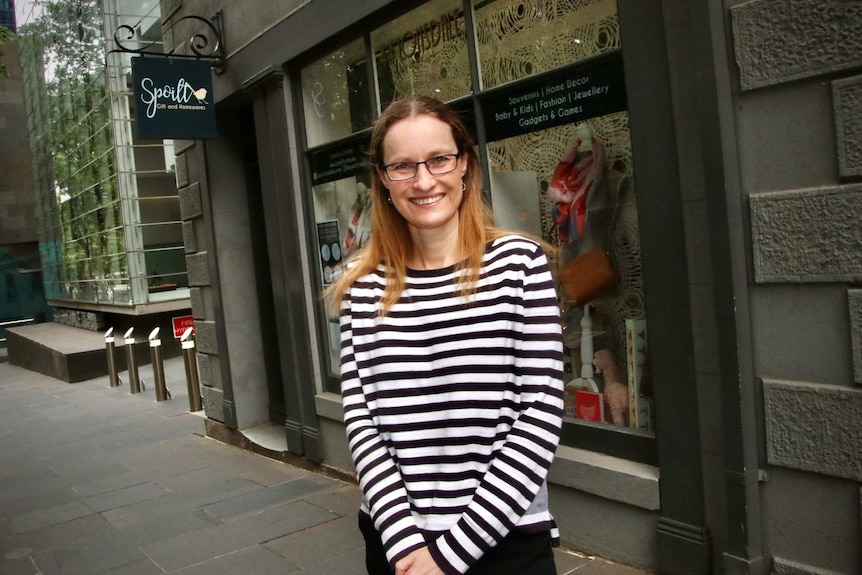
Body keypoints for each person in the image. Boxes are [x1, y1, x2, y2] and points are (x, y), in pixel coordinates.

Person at [325, 95, 565, 575]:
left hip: (505, 537)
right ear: (383, 179)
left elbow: (539, 414)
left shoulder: (518, 265)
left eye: (439, 159)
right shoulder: (362, 284)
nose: (424, 180)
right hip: (398, 543)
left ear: (465, 166)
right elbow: (362, 421)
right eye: (403, 166)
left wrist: (449, 554)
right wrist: (404, 541)